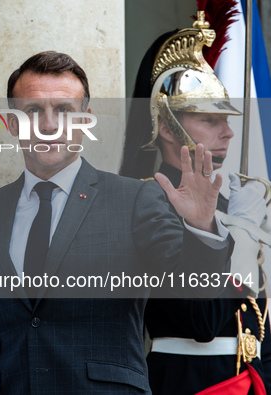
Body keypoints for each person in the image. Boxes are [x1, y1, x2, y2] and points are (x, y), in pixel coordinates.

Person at [0, 50, 234, 394]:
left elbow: (199, 320)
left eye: (63, 111)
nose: (48, 124)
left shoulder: (135, 200)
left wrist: (201, 229)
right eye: (33, 111)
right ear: (12, 124)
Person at [120, 9, 271, 394]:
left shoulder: (235, 197)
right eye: (209, 119)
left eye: (226, 118)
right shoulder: (146, 200)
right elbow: (201, 320)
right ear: (168, 126)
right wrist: (240, 230)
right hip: (188, 382)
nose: (228, 132)